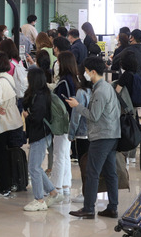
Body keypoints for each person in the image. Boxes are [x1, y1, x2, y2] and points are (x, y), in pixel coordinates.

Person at [67, 57, 121, 219]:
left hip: (102, 136)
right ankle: (112, 207)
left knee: (92, 172)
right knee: (111, 173)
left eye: (85, 71)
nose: (84, 74)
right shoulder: (106, 87)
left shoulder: (100, 90)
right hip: (111, 134)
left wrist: (78, 106)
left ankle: (89, 208)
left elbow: (94, 116)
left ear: (92, 72)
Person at [22, 68, 64, 211]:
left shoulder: (39, 96)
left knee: (33, 167)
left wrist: (28, 116)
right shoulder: (42, 93)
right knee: (36, 167)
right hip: (42, 134)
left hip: (40, 134)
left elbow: (37, 117)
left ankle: (39, 199)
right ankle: (53, 192)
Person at [0, 52, 23, 196]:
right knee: (6, 155)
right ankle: (8, 184)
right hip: (13, 121)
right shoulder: (8, 78)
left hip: (1, 124)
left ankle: (3, 186)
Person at [52, 51, 79, 196]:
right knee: (64, 154)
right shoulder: (75, 79)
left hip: (62, 122)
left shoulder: (64, 82)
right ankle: (66, 185)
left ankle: (57, 187)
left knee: (59, 154)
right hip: (70, 121)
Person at [68, 64, 92, 204]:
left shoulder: (81, 92)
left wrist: (71, 133)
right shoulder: (96, 90)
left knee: (84, 165)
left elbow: (76, 115)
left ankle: (86, 193)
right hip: (94, 133)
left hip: (82, 133)